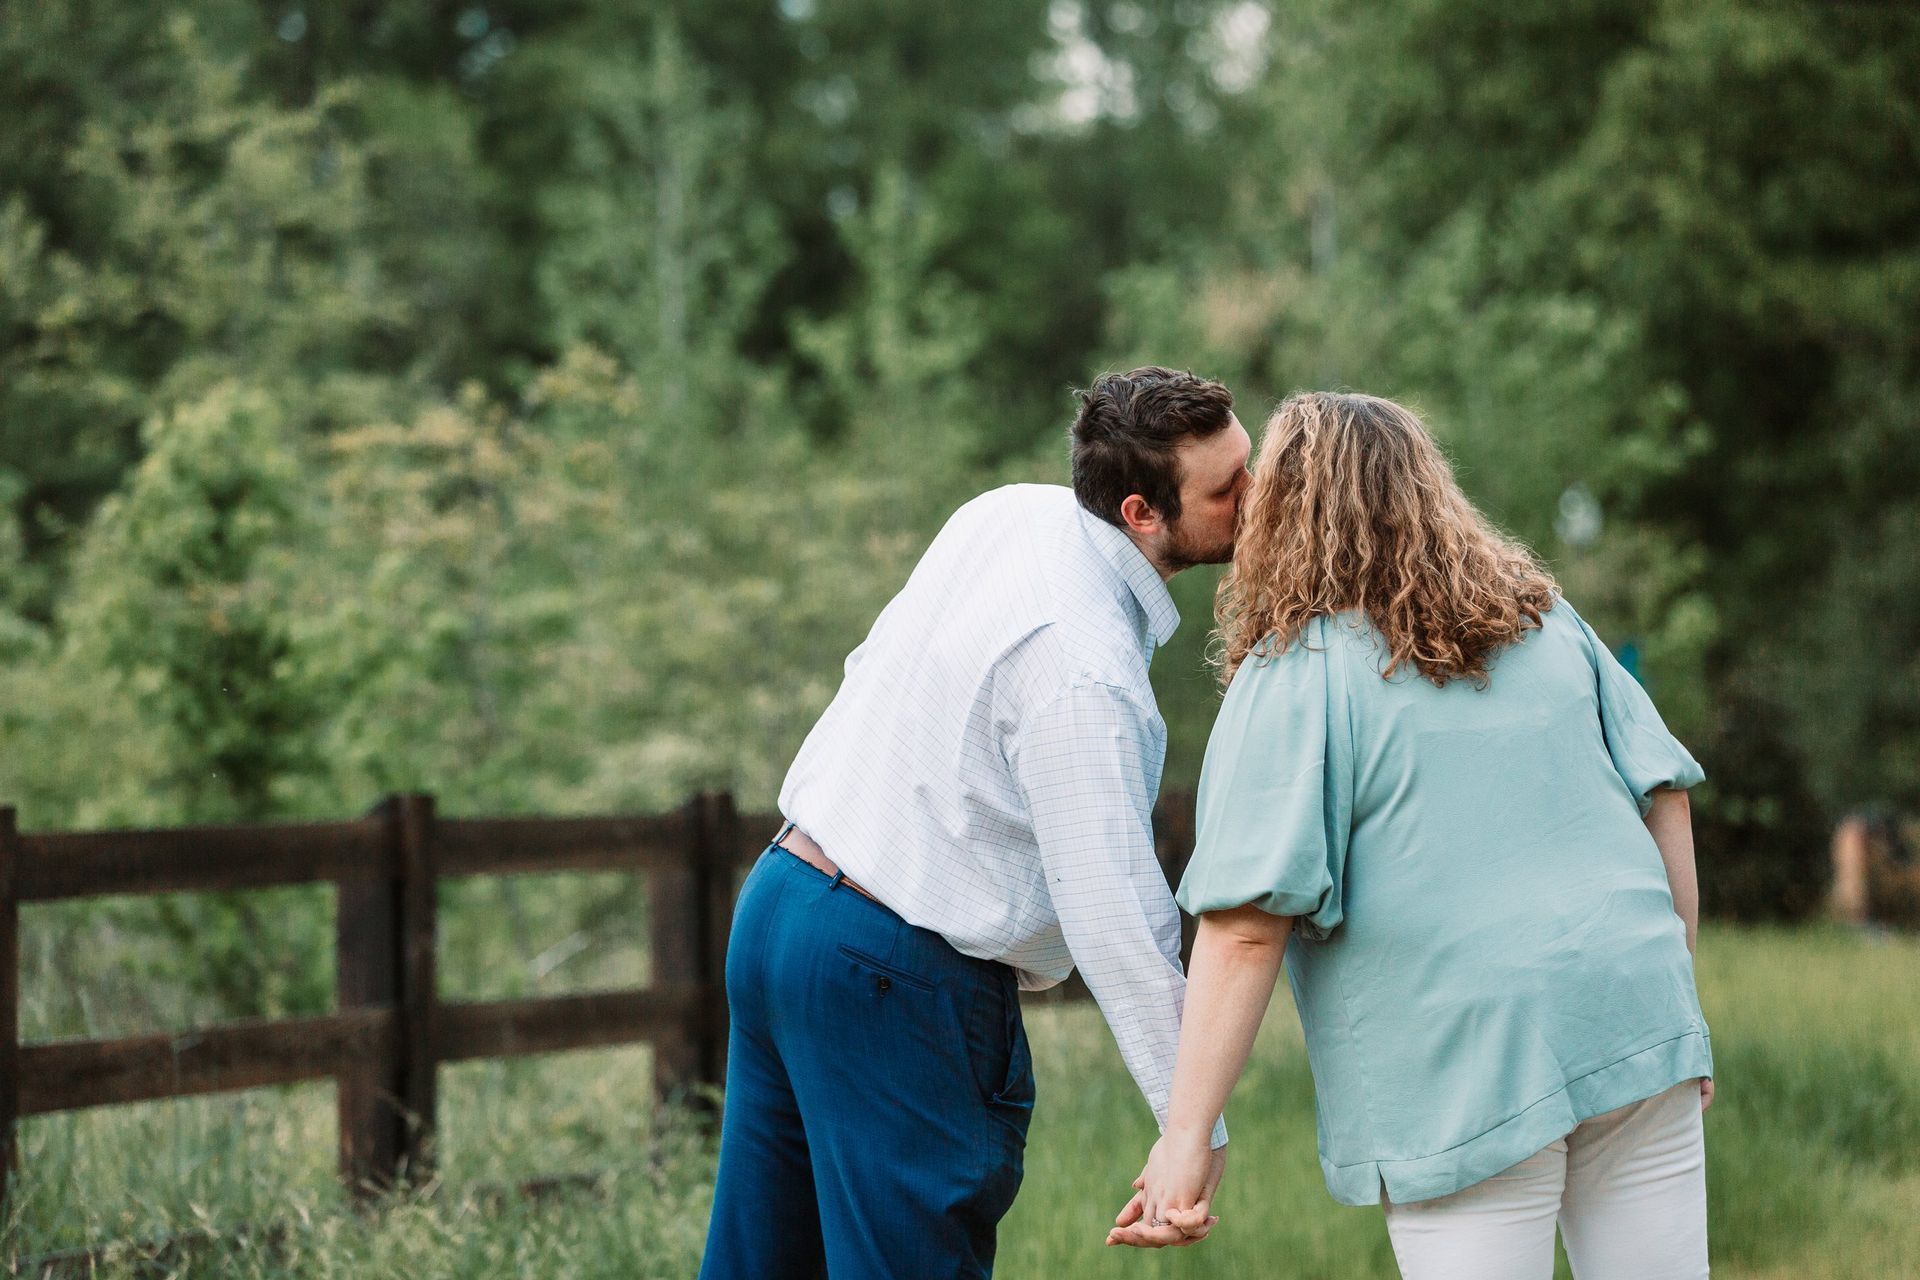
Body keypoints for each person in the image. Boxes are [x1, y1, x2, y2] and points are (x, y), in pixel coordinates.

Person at [1112, 392, 1713, 1280]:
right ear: (1432, 491)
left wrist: (1186, 1137)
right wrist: (1673, 1002)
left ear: (1284, 512)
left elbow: (1244, 928)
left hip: (1462, 1067)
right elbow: (1666, 796)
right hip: (1632, 1008)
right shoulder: (1545, 619)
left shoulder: (1297, 673)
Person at [698, 366, 1251, 1279]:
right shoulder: (1085, 667)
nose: (1255, 499)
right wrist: (1194, 1124)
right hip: (892, 974)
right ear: (1142, 513)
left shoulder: (1007, 514)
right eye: (1228, 489)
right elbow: (1114, 913)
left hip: (781, 909)